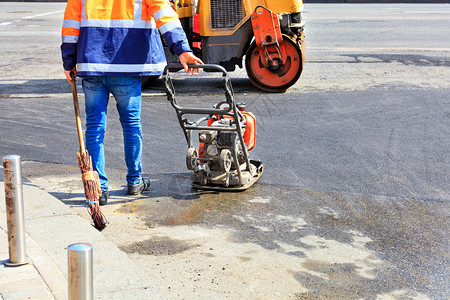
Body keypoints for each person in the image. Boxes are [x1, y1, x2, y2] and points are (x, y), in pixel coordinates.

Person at [61, 0, 203, 205]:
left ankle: (99, 188)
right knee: (131, 125)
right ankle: (135, 181)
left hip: (92, 64)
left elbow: (71, 24)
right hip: (127, 66)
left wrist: (68, 61)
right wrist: (182, 49)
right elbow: (163, 12)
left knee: (94, 128)